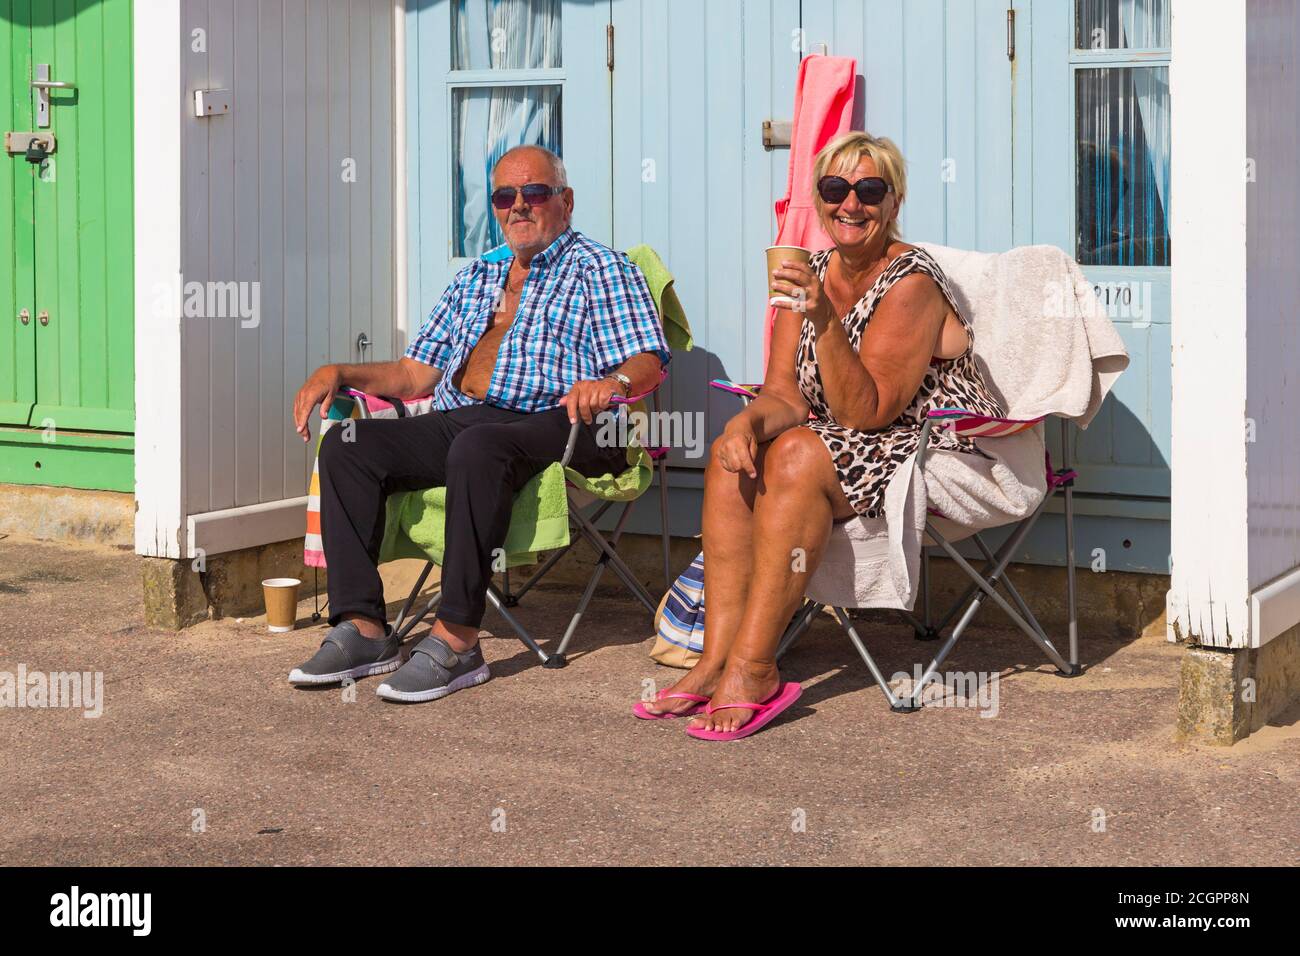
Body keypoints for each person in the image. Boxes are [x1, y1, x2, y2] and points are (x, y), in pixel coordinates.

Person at [639, 131, 1003, 740]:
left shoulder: (911, 281)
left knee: (797, 455)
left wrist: (823, 318)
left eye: (869, 190)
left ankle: (755, 668)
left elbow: (868, 412)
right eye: (836, 189)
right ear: (819, 198)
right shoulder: (805, 272)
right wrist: (744, 424)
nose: (851, 204)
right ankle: (714, 660)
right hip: (837, 435)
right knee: (738, 459)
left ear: (895, 200)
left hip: (924, 439)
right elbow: (785, 394)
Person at [290, 145, 669, 703]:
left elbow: (648, 358)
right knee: (349, 444)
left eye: (534, 193)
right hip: (470, 419)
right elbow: (413, 373)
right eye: (504, 196)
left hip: (567, 422)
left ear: (564, 202)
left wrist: (613, 385)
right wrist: (338, 370)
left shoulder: (602, 268)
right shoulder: (477, 278)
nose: (519, 206)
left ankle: (458, 640)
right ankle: (365, 628)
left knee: (479, 446)